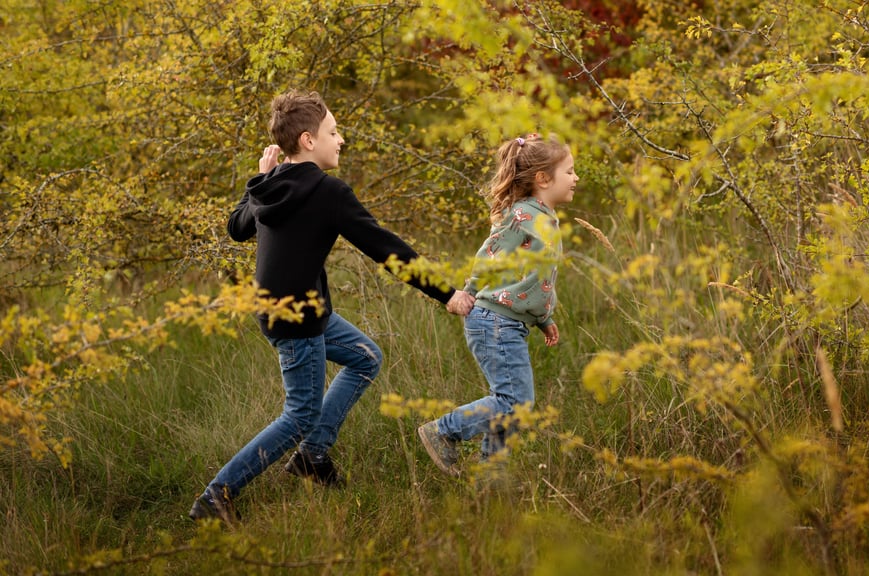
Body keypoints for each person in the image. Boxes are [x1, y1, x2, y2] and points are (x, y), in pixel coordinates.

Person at [189, 90, 475, 524]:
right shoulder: (328, 192)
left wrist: (261, 179)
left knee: (365, 358)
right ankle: (217, 496)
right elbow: (387, 249)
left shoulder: (273, 185)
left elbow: (237, 225)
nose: (341, 140)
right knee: (300, 414)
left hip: (291, 310)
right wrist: (447, 293)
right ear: (307, 140)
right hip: (298, 320)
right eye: (333, 132)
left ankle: (312, 458)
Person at [417, 133, 578, 476]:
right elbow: (490, 255)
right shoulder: (522, 215)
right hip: (493, 321)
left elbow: (534, 279)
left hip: (509, 321)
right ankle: (443, 431)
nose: (576, 178)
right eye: (570, 171)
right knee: (515, 403)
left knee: (507, 401)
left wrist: (544, 318)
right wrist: (467, 292)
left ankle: (490, 479)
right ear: (543, 179)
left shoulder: (545, 216)